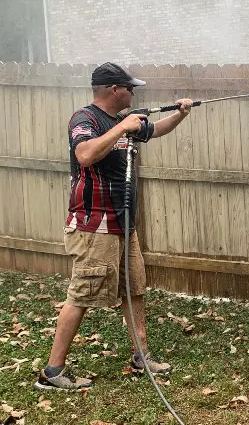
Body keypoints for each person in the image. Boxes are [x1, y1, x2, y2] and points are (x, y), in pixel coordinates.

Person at [35, 62, 193, 391]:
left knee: (134, 287)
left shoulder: (122, 120)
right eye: (129, 88)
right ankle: (52, 372)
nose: (133, 93)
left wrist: (180, 113)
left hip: (123, 224)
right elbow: (85, 154)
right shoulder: (86, 119)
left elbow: (155, 130)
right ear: (113, 90)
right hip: (95, 224)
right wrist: (122, 129)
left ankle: (141, 357)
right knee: (82, 293)